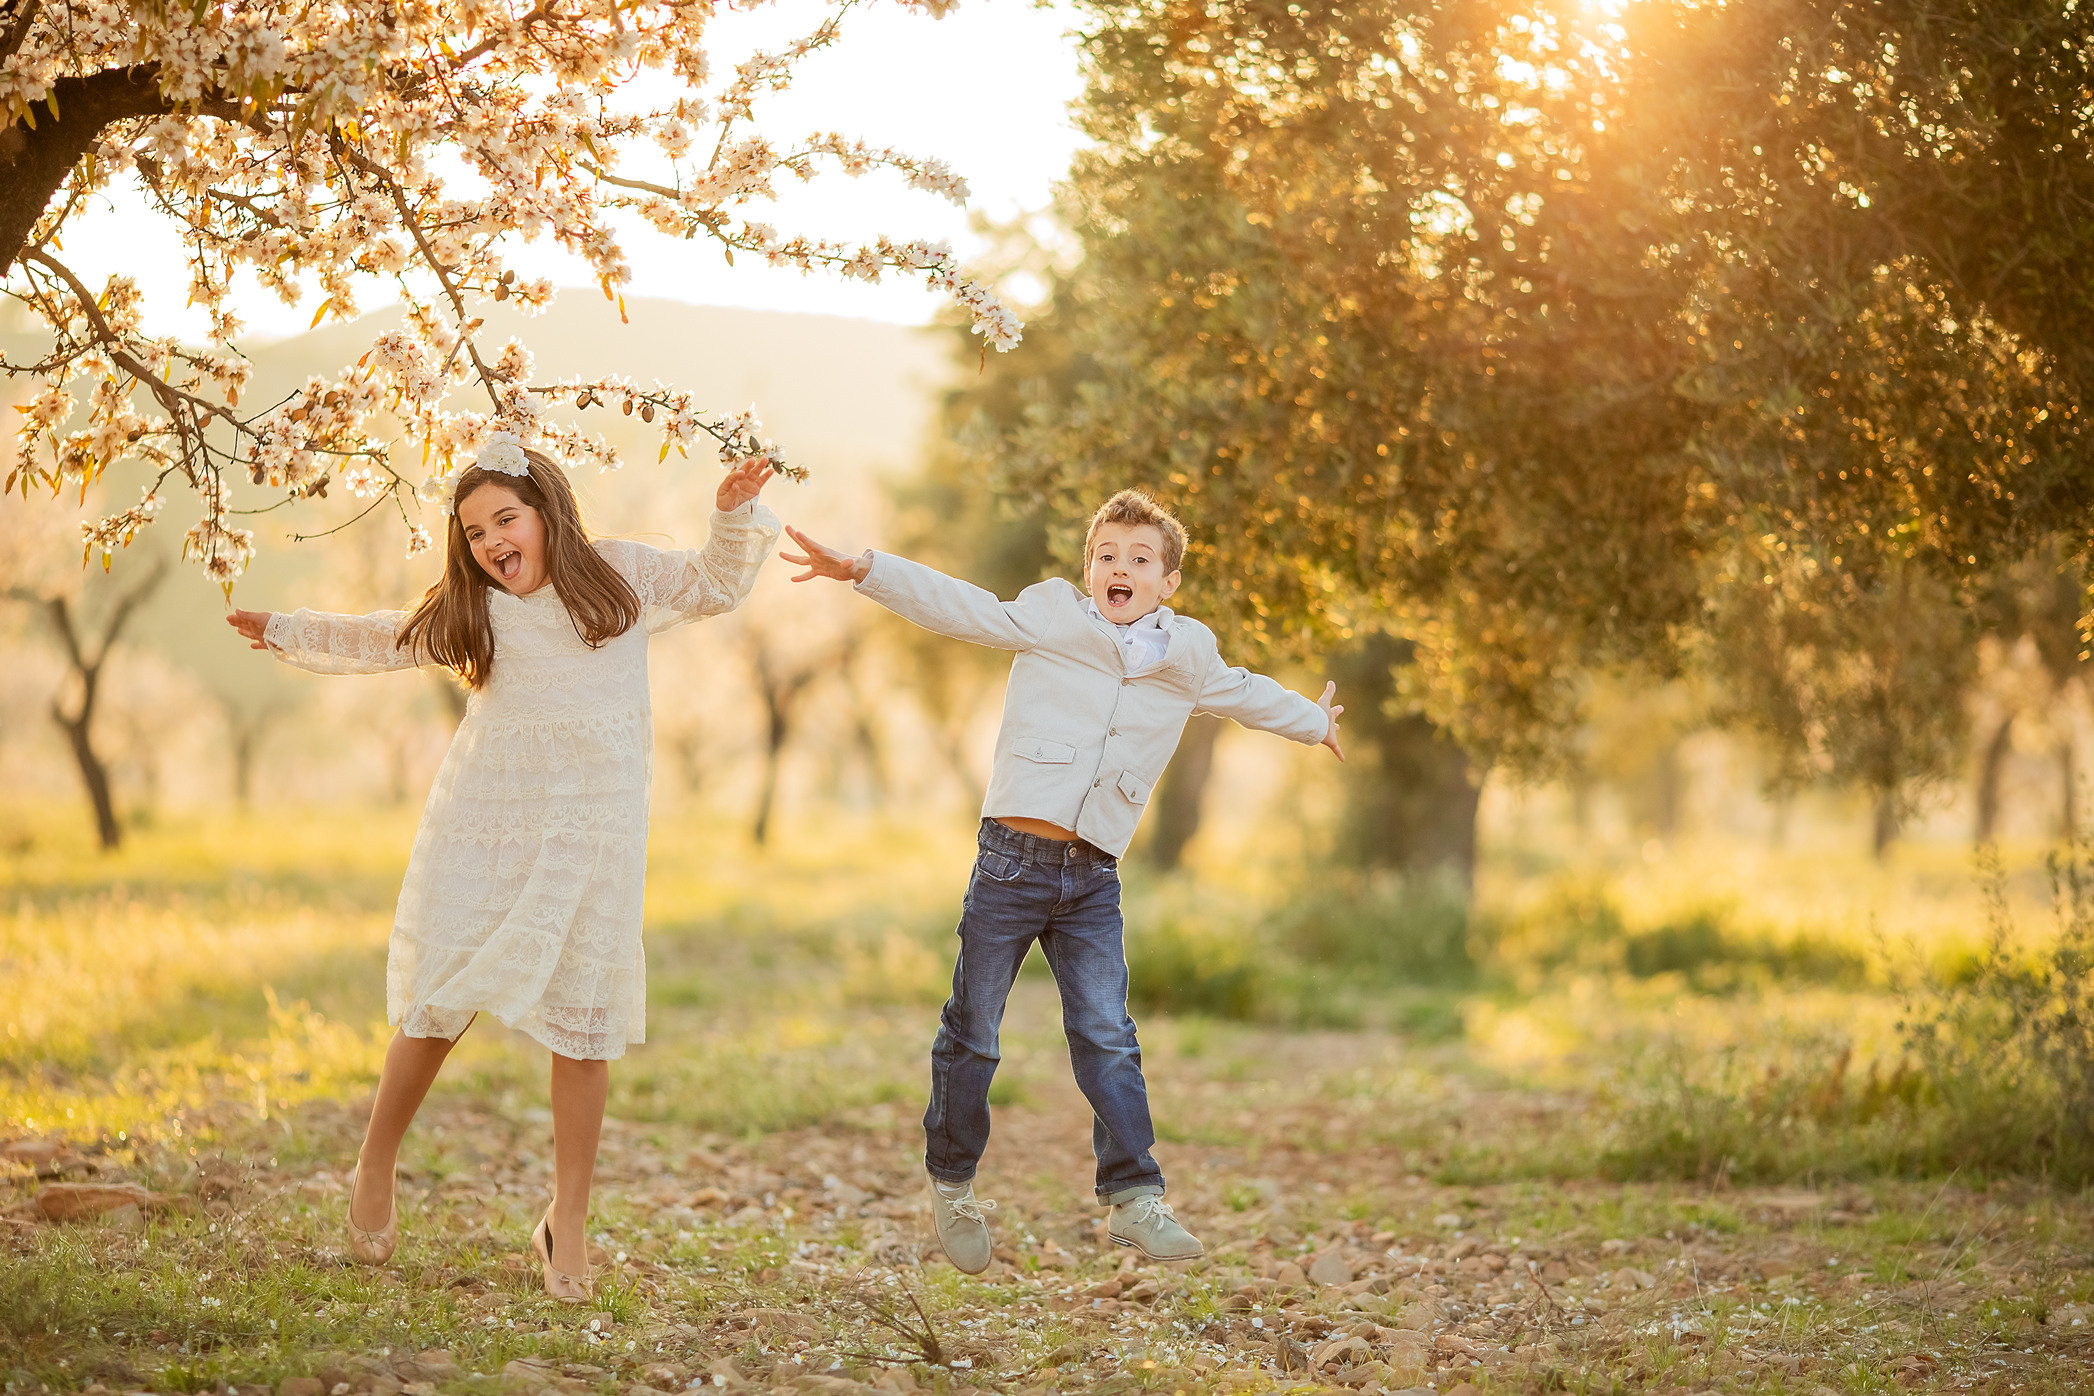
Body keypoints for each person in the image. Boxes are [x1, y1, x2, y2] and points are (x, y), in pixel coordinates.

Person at [227, 434, 777, 1300]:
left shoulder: (622, 577)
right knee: (440, 1000)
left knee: (582, 1026)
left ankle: (569, 1222)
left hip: (592, 837)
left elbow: (715, 582)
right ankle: (375, 1165)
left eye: (505, 520)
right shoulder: (474, 607)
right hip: (491, 825)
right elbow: (387, 638)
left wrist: (732, 510)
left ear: (547, 512)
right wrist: (291, 629)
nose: (490, 543)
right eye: (475, 532)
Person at [780, 488, 1343, 1269]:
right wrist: (865, 569)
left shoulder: (1188, 657)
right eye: (1106, 556)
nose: (1121, 567)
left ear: (1167, 583)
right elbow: (960, 606)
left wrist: (1314, 722)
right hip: (1013, 860)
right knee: (974, 1029)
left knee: (1107, 1034)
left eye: (1139, 560)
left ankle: (1134, 1195)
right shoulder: (1051, 618)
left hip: (1093, 878)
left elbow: (1248, 693)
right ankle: (952, 1180)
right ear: (1088, 572)